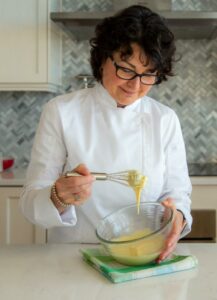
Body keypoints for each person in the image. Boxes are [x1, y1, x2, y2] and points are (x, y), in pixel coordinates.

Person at [20, 5, 192, 262]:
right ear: (103, 59)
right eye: (126, 69)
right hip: (74, 258)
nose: (135, 85)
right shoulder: (61, 111)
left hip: (143, 258)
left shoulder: (164, 119)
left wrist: (176, 215)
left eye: (148, 75)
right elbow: (30, 203)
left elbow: (177, 193)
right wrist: (58, 195)